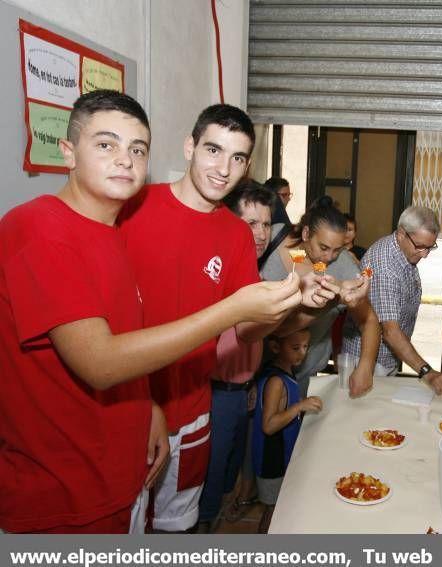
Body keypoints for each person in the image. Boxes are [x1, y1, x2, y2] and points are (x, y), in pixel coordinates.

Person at [0, 91, 301, 533]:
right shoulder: (41, 227)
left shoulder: (108, 230)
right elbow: (100, 362)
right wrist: (228, 310)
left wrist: (147, 407)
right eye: (106, 145)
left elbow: (128, 338)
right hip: (63, 490)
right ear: (68, 152)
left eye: (137, 149)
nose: (124, 160)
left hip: (125, 465)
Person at [117, 104, 318, 533]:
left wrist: (293, 302)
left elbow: (245, 328)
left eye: (238, 157)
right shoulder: (132, 208)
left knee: (179, 527)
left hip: (192, 408)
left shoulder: (234, 234)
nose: (224, 168)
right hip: (127, 407)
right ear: (190, 146)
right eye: (213, 150)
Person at [197, 181, 275, 531]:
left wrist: (252, 382)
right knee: (208, 480)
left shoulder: (253, 272)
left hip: (241, 390)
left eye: (266, 224)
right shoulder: (219, 272)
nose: (261, 234)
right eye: (251, 224)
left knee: (227, 473)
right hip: (215, 393)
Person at [261, 196, 379, 399]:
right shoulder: (273, 236)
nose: (329, 257)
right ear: (306, 233)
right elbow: (275, 327)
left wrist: (366, 367)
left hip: (303, 374)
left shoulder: (342, 267)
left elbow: (369, 320)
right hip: (255, 367)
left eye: (338, 249)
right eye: (323, 247)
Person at [342, 206, 442, 394]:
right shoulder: (385, 266)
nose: (425, 254)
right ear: (401, 233)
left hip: (387, 358)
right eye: (420, 246)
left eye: (430, 247)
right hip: (367, 364)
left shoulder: (403, 252)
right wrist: (427, 372)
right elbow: (390, 331)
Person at [252, 328, 320, 533]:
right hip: (272, 460)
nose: (303, 353)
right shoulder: (276, 381)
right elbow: (269, 425)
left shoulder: (282, 370)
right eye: (295, 348)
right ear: (275, 347)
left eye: (306, 347)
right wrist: (299, 407)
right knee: (273, 512)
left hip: (281, 455)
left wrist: (297, 402)